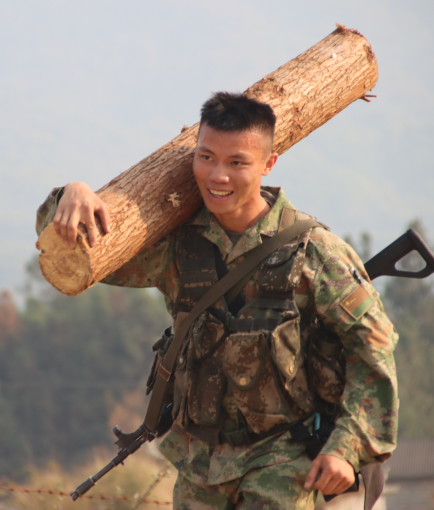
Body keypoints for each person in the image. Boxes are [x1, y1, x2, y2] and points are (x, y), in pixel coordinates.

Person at [35, 92, 398, 509]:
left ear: (268, 164)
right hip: (200, 468)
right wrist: (71, 194)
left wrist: (346, 448)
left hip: (287, 460)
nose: (217, 176)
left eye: (237, 163)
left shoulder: (314, 252)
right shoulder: (178, 247)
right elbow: (86, 256)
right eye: (206, 158)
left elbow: (373, 349)